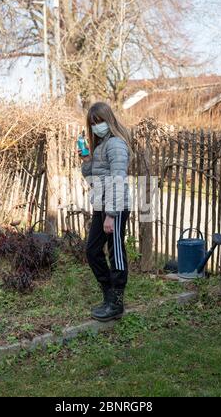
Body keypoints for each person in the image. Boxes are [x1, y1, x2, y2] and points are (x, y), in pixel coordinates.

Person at [78, 102, 131, 322]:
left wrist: (111, 214)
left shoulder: (116, 144)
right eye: (93, 123)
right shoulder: (101, 146)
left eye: (99, 121)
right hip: (102, 204)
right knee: (92, 251)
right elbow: (93, 180)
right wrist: (87, 161)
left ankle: (116, 303)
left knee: (115, 252)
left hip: (115, 207)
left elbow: (117, 180)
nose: (96, 126)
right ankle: (109, 295)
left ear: (109, 119)